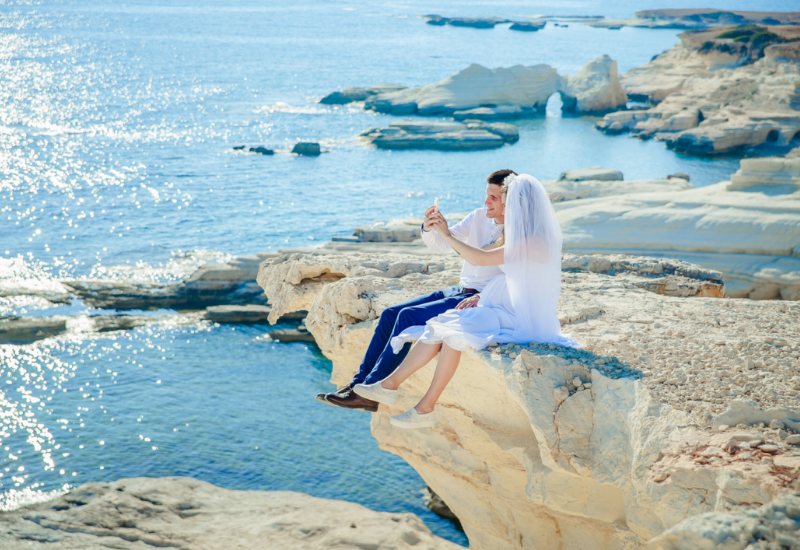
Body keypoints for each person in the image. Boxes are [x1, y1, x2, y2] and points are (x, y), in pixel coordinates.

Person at [352, 174, 579, 428]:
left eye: (497, 198)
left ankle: (397, 390)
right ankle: (405, 396)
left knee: (450, 327)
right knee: (448, 326)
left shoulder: (535, 242)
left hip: (521, 311)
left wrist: (448, 235)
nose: (488, 202)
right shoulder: (515, 235)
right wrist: (483, 294)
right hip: (501, 298)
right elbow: (504, 267)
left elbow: (482, 259)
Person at [316, 169, 517, 411]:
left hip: (479, 298)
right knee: (390, 313)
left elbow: (516, 278)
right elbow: (441, 244)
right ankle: (358, 385)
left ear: (508, 201)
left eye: (493, 198)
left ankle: (372, 390)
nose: (486, 202)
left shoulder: (519, 234)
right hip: (459, 288)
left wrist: (482, 297)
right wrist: (429, 226)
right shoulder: (478, 217)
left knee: (407, 317)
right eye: (486, 195)